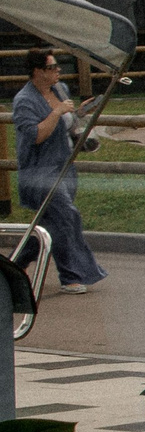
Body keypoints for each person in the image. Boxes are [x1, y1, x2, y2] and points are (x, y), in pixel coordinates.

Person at [11, 51, 103, 295]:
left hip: (64, 167)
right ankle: (72, 276)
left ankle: (14, 264)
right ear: (38, 71)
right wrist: (56, 112)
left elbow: (66, 124)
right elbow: (36, 136)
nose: (58, 70)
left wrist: (79, 113)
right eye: (52, 67)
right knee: (66, 217)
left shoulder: (61, 90)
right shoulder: (24, 101)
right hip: (40, 172)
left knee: (51, 225)